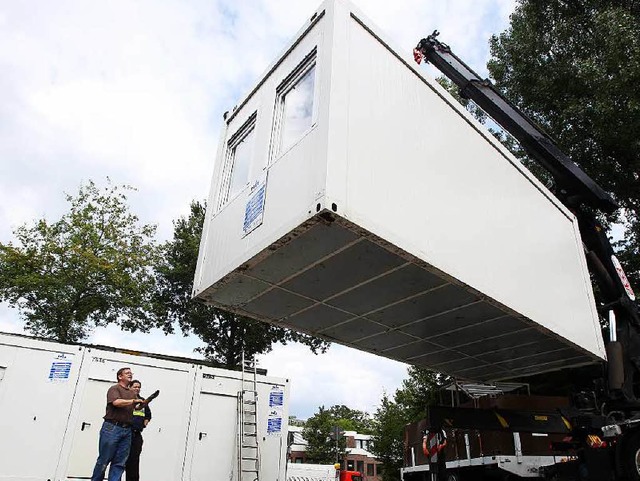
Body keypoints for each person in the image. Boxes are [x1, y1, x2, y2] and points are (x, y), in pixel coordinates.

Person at [90, 367, 145, 481]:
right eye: (127, 373)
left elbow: (136, 408)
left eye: (131, 373)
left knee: (120, 463)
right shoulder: (114, 389)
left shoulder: (131, 393)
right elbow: (116, 402)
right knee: (104, 460)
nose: (130, 374)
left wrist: (143, 403)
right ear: (120, 376)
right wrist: (134, 401)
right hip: (112, 428)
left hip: (127, 430)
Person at [125, 379, 152, 481]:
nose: (137, 389)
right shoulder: (125, 399)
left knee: (134, 461)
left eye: (139, 387)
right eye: (135, 387)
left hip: (136, 435)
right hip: (125, 432)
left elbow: (148, 415)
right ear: (129, 387)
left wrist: (145, 422)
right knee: (120, 460)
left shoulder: (143, 401)